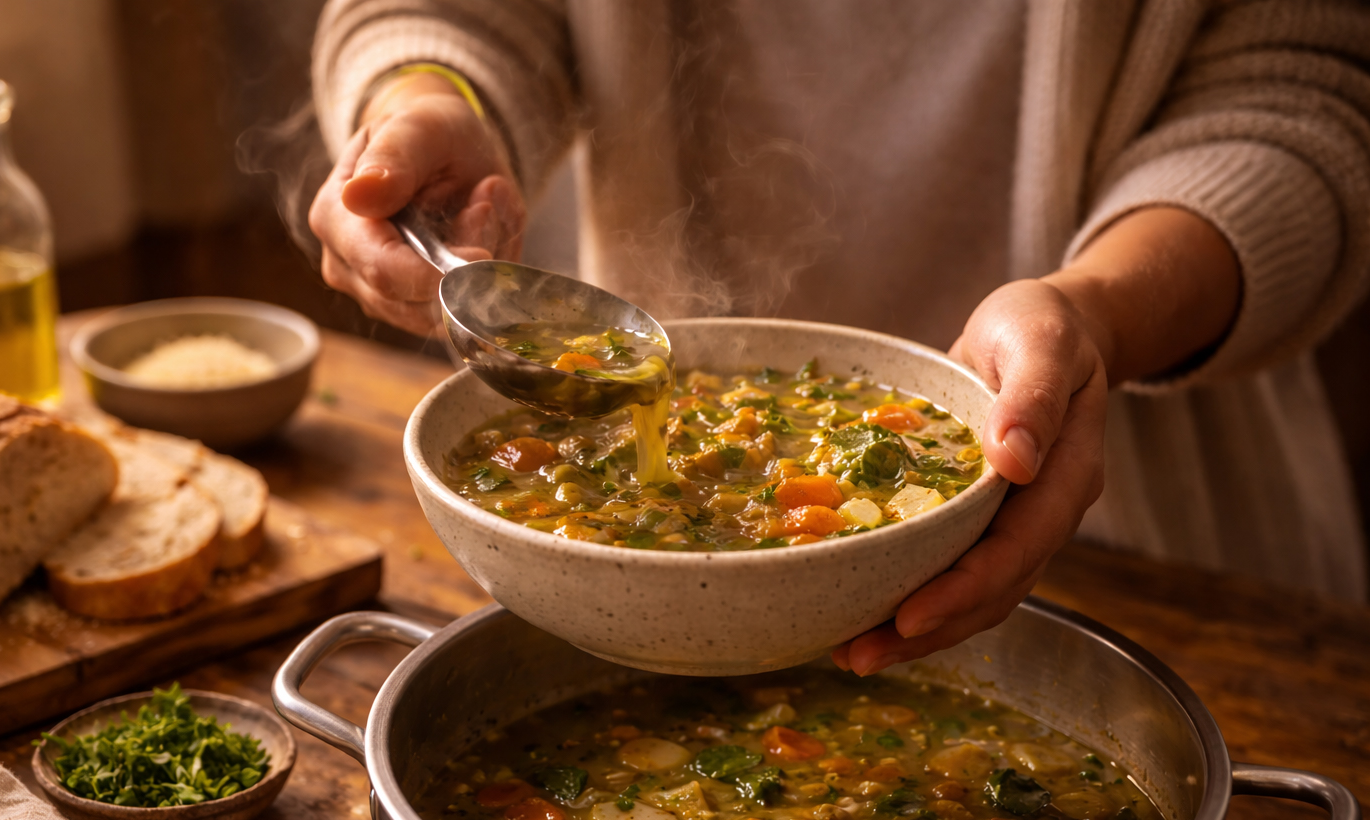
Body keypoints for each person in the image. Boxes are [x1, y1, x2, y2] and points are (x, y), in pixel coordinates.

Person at [307, 0, 1370, 673]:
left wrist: (1095, 314)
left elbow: (1303, 95)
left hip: (1161, 556)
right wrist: (426, 96)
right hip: (637, 615)